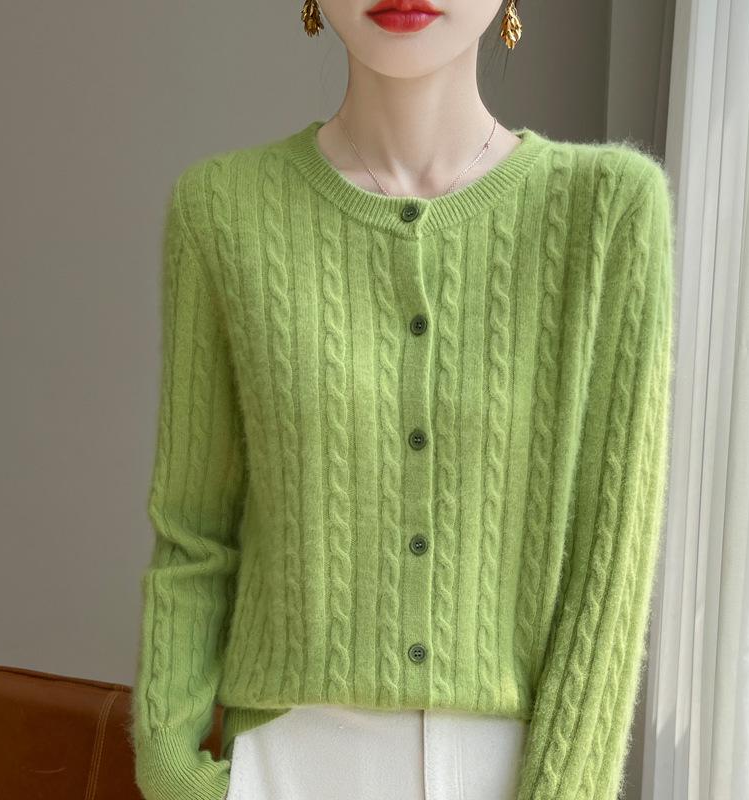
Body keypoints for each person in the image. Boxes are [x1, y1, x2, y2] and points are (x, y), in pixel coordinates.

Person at [127, 1, 676, 799]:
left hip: (513, 773)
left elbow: (610, 567)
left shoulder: (610, 210)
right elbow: (194, 533)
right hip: (285, 765)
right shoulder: (222, 210)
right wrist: (172, 768)